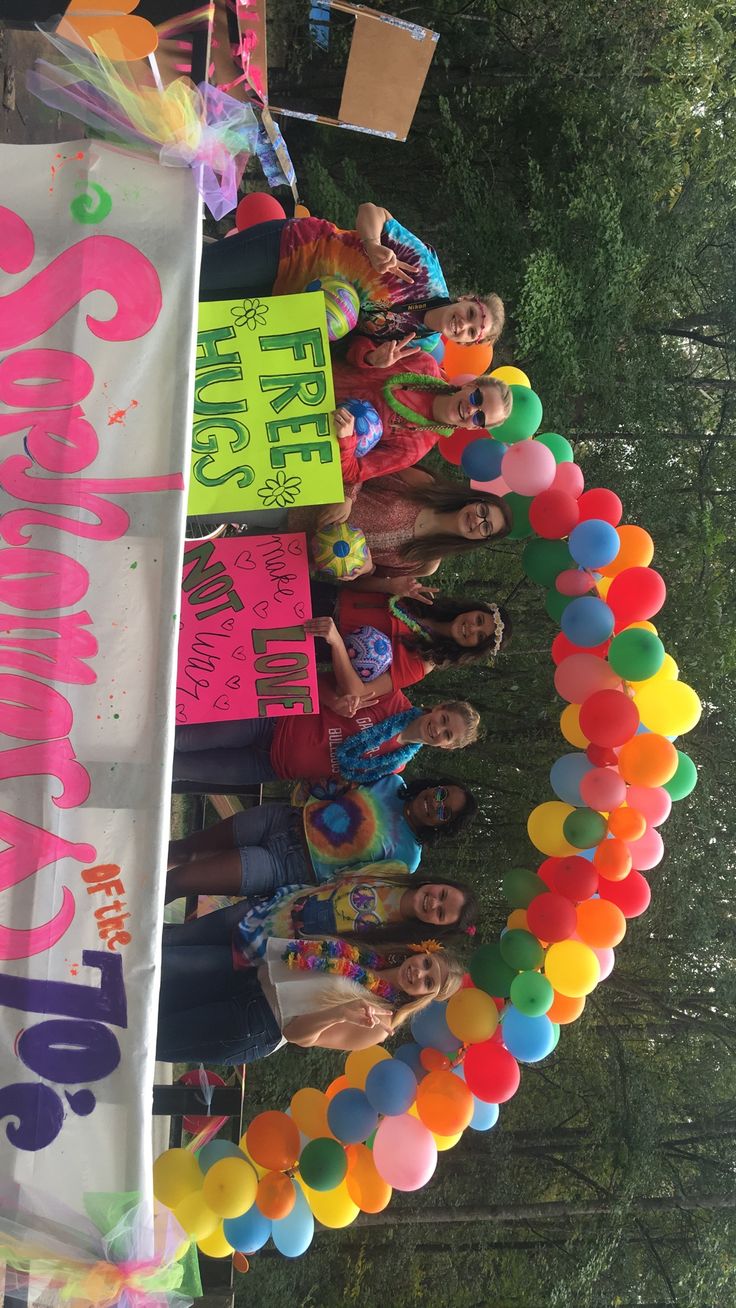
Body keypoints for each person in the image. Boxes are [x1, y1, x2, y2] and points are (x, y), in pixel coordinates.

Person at [200, 202, 505, 356]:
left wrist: (374, 360)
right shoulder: (426, 272)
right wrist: (373, 244)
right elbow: (371, 210)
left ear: (463, 342)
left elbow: (355, 349)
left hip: (288, 310)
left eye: (471, 333)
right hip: (293, 251)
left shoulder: (420, 345)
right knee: (195, 276)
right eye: (470, 315)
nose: (463, 325)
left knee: (198, 311)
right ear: (465, 299)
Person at [156, 933, 464, 1063]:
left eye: (428, 982)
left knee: (154, 1036)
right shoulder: (368, 957)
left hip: (255, 1023)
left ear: (424, 997)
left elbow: (294, 1035)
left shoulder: (379, 1023)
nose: (419, 974)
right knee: (148, 998)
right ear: (423, 952)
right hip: (245, 980)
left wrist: (341, 1012)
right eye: (427, 964)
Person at [165, 775, 478, 902]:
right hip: (281, 819)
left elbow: (352, 889)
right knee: (180, 850)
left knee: (180, 881)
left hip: (285, 867)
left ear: (442, 826)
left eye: (444, 812)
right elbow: (338, 780)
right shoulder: (392, 781)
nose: (436, 803)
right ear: (436, 785)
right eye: (442, 794)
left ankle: (122, 927)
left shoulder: (408, 859)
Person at [163, 864, 478, 966]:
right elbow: (333, 880)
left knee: (178, 960)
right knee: (179, 937)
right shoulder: (394, 869)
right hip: (264, 910)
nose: (434, 903)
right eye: (443, 895)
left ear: (434, 927)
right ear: (440, 884)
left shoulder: (392, 944)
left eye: (441, 913)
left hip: (266, 953)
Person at [173, 695, 481, 789]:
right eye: (444, 720)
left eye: (447, 735)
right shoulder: (393, 698)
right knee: (182, 738)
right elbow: (338, 685)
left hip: (269, 768)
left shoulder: (395, 766)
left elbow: (341, 781)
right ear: (438, 707)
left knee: (180, 768)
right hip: (272, 723)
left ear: (446, 747)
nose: (438, 729)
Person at [331, 339, 512, 487]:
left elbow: (353, 473)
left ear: (473, 428)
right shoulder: (423, 364)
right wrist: (370, 357)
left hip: (316, 429)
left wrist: (346, 440)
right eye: (477, 398)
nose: (471, 409)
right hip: (311, 372)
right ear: (471, 385)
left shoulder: (414, 449)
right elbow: (352, 342)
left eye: (479, 417)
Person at [291, 468, 512, 584]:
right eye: (483, 511)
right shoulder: (426, 486)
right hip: (298, 501)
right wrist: (348, 496)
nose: (477, 520)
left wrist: (367, 569)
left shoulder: (427, 563)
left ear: (480, 541)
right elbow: (368, 465)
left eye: (486, 528)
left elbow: (373, 579)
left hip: (295, 555)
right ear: (475, 500)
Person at [327, 588, 512, 691]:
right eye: (479, 620)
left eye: (479, 636)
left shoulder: (421, 664)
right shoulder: (425, 599)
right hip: (326, 595)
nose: (472, 628)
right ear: (474, 609)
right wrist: (392, 583)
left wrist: (335, 643)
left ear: (474, 648)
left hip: (319, 641)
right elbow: (364, 582)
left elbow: (357, 691)